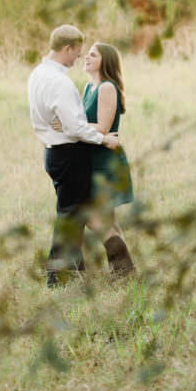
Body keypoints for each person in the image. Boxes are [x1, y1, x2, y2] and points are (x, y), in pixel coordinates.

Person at [27, 24, 119, 287]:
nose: (77, 58)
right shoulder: (60, 82)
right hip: (69, 154)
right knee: (69, 218)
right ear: (66, 48)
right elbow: (75, 128)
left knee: (74, 215)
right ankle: (57, 278)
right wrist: (104, 138)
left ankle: (76, 271)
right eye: (77, 52)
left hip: (53, 152)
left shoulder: (37, 74)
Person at [79, 42, 136, 278]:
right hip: (93, 159)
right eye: (88, 54)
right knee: (107, 219)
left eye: (94, 55)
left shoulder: (106, 88)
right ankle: (124, 272)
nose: (87, 57)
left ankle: (124, 269)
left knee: (90, 216)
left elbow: (102, 128)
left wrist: (68, 126)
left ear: (106, 61)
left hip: (106, 162)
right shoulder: (88, 87)